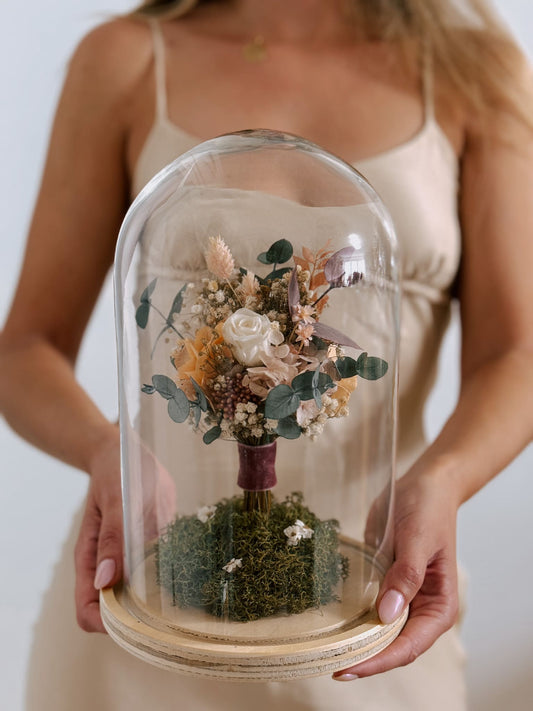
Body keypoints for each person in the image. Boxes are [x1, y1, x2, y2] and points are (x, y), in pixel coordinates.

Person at [1, 0, 532, 709]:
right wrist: (107, 452)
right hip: (154, 590)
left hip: (372, 592)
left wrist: (445, 478)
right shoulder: (125, 59)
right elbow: (25, 349)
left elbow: (516, 355)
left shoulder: (474, 73)